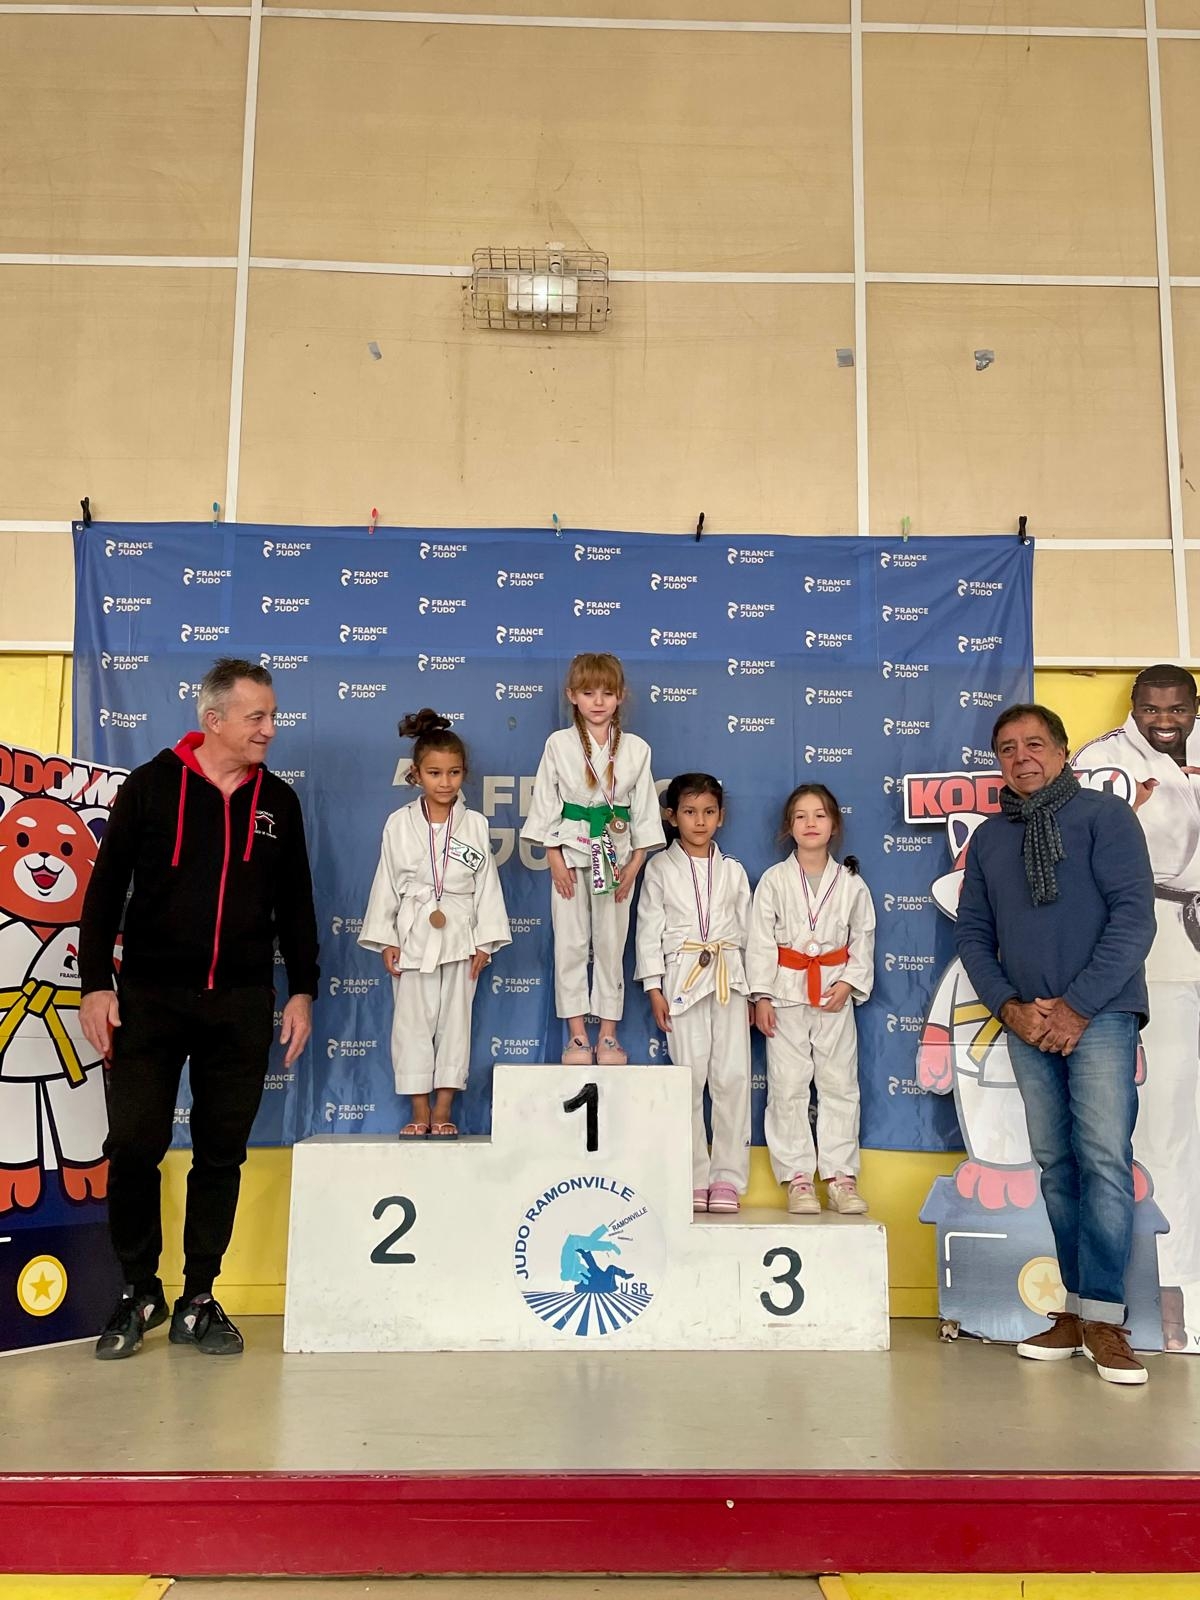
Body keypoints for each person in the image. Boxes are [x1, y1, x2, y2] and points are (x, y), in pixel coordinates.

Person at [79, 657, 318, 1360]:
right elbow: (105, 891)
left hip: (240, 1006)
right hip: (149, 1002)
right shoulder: (151, 786)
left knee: (220, 1154)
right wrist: (95, 984)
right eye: (257, 717)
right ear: (213, 720)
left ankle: (199, 1298)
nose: (270, 729)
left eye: (272, 716)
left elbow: (296, 904)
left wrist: (302, 989)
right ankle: (138, 1291)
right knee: (133, 1147)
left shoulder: (279, 802)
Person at [956, 702, 1155, 1385]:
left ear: (1063, 752)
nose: (1022, 757)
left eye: (1035, 744)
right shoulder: (990, 839)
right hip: (1028, 1023)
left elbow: (1134, 919)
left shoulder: (1107, 817)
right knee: (1054, 1165)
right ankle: (1075, 1310)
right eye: (1008, 748)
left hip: (1099, 1015)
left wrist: (1077, 1007)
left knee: (1103, 1161)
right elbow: (973, 935)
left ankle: (1105, 1319)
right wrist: (1009, 1009)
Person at [1073, 664, 1200, 1350]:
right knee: (1167, 1127)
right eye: (1151, 708)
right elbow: (1079, 859)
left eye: (1177, 708)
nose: (1164, 720)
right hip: (1156, 943)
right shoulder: (1104, 762)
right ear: (1133, 705)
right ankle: (1172, 1294)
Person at [359, 709, 510, 1138]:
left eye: (454, 773)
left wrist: (485, 942)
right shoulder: (399, 824)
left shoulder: (475, 824)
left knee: (455, 1023)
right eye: (435, 773)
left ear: (464, 774)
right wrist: (386, 937)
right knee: (411, 1023)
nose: (445, 782)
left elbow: (487, 885)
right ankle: (419, 1109)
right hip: (413, 934)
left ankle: (444, 1107)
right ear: (416, 774)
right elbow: (386, 882)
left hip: (461, 933)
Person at [521, 653, 664, 1065]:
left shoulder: (636, 749)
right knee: (570, 942)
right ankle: (577, 1036)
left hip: (617, 856)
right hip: (570, 850)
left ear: (621, 696)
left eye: (607, 693)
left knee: (611, 943)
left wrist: (635, 865)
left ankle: (608, 1035)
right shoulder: (558, 744)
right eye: (588, 693)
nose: (598, 701)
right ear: (572, 696)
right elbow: (546, 804)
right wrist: (553, 857)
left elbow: (644, 812)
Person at [746, 783, 875, 1216]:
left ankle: (840, 1178)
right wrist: (761, 996)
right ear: (789, 826)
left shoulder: (852, 883)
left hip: (834, 993)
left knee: (840, 1084)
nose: (810, 823)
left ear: (834, 824)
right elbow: (760, 942)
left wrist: (850, 983)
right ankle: (798, 1178)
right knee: (787, 1085)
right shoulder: (774, 880)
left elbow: (863, 938)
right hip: (785, 994)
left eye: (819, 815)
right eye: (800, 816)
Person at [634, 773, 752, 1214]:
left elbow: (751, 934)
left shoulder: (734, 871)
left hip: (728, 978)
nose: (699, 821)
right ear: (671, 817)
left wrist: (755, 992)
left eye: (708, 812)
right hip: (681, 977)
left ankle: (727, 1178)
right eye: (689, 812)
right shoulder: (660, 869)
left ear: (721, 816)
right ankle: (694, 1175)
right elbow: (648, 930)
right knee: (688, 1077)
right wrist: (653, 987)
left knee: (732, 1078)